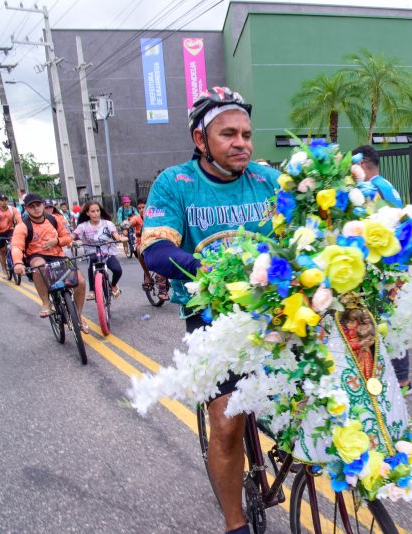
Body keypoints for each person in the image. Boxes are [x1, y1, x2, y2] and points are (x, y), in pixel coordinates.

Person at [141, 87, 280, 534]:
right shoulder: (175, 183)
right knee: (227, 427)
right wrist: (215, 273)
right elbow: (156, 250)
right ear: (201, 140)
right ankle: (234, 523)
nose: (242, 142)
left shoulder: (266, 179)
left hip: (274, 308)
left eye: (246, 133)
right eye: (228, 134)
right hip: (212, 317)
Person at [352, 144, 411, 391]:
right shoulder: (387, 185)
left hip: (385, 265)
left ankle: (397, 378)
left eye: (353, 166)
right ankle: (399, 378)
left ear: (362, 163)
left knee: (383, 319)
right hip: (397, 262)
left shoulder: (371, 189)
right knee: (389, 319)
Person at [11, 193, 87, 329]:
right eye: (31, 206)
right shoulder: (22, 226)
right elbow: (16, 246)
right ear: (26, 209)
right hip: (36, 257)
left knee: (80, 282)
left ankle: (78, 316)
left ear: (43, 205)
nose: (36, 209)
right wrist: (18, 263)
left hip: (58, 255)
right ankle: (46, 303)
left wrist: (56, 241)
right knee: (39, 266)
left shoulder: (54, 219)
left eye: (38, 205)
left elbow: (68, 238)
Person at [72, 201, 126, 301]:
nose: (96, 213)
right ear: (87, 213)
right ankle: (92, 290)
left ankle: (113, 285)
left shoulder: (108, 224)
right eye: (92, 211)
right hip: (92, 252)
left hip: (107, 252)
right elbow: (73, 235)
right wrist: (70, 240)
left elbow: (115, 234)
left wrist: (120, 238)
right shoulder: (83, 226)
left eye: (97, 211)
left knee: (118, 270)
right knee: (92, 261)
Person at [129, 198, 169, 300]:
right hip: (143, 244)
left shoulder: (157, 216)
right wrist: (126, 227)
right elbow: (129, 223)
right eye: (140, 208)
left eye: (144, 207)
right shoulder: (137, 219)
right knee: (139, 249)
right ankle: (148, 276)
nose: (142, 210)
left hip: (159, 242)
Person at [0, 193, 22, 276]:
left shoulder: (12, 209)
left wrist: (21, 230)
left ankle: (17, 263)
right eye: (2, 200)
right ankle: (4, 269)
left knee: (15, 247)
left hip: (9, 230)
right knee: (2, 251)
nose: (4, 202)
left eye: (5, 200)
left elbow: (19, 220)